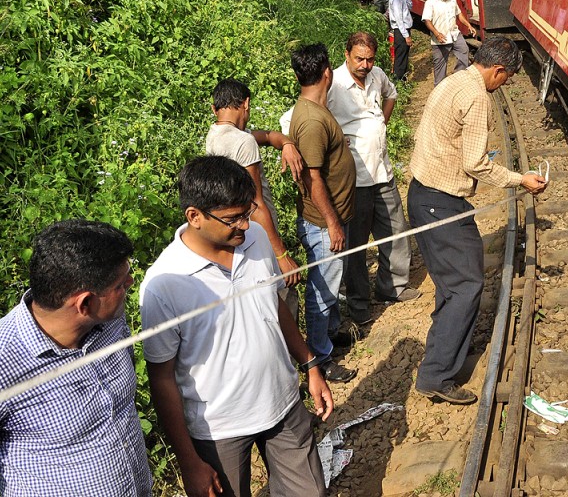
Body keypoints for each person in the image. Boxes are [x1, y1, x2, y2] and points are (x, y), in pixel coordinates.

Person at [141, 156, 333, 497]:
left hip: (284, 404)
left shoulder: (256, 237)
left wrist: (309, 363)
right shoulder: (163, 285)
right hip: (220, 430)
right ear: (194, 216)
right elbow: (162, 378)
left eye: (247, 213)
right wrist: (189, 462)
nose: (244, 225)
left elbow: (273, 305)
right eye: (233, 219)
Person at [407, 37, 547, 404]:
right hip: (441, 202)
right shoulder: (476, 97)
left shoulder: (455, 80)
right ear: (498, 70)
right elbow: (475, 163)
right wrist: (520, 179)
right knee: (466, 286)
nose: (505, 86)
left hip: (426, 195)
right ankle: (437, 376)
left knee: (454, 282)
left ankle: (447, 353)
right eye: (508, 79)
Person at [0, 220, 151, 497]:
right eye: (120, 284)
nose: (130, 283)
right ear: (85, 303)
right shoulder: (5, 363)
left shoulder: (110, 322)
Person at [329, 32, 420, 326]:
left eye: (369, 59)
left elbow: (392, 94)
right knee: (355, 245)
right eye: (359, 59)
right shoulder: (333, 84)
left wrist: (382, 120)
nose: (365, 65)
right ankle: (359, 305)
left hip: (383, 171)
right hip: (354, 180)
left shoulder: (377, 75)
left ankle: (392, 287)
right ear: (346, 54)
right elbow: (296, 118)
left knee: (395, 230)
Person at [288, 44, 359, 382]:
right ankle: (320, 356)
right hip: (321, 225)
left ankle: (330, 334)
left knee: (330, 283)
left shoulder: (314, 109)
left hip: (328, 221)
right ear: (327, 73)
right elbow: (313, 179)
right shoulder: (313, 120)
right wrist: (333, 223)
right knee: (321, 291)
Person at [205, 78, 304, 318]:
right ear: (246, 104)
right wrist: (281, 255)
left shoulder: (216, 134)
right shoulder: (243, 141)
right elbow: (256, 204)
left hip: (233, 232)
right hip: (256, 234)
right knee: (281, 297)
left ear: (214, 109)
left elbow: (269, 136)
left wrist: (287, 143)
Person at [422, 0, 476, 86]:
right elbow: (427, 20)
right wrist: (436, 34)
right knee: (440, 67)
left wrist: (468, 25)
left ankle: (458, 78)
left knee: (464, 52)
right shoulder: (430, 3)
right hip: (440, 38)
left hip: (454, 34)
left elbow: (459, 14)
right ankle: (439, 89)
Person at [387, 0, 413, 81]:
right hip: (400, 31)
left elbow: (409, 8)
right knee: (401, 56)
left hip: (404, 30)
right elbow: (399, 19)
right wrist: (406, 35)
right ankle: (398, 80)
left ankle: (402, 78)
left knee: (404, 55)